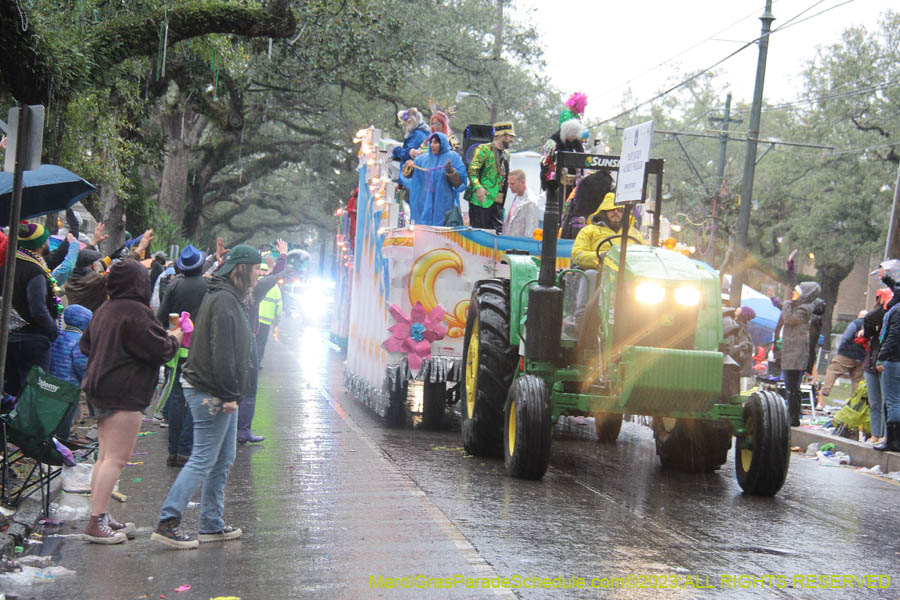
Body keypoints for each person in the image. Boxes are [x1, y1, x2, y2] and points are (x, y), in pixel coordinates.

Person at [153, 245, 262, 549]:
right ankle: (168, 521)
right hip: (211, 391)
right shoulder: (225, 300)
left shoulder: (227, 296)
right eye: (256, 268)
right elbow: (223, 353)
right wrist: (228, 394)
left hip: (217, 389)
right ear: (242, 269)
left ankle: (211, 523)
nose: (259, 274)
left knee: (223, 458)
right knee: (203, 458)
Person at [79, 259, 182, 543]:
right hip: (123, 391)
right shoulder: (136, 311)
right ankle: (96, 521)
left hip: (98, 386)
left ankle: (101, 514)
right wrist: (176, 336)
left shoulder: (105, 308)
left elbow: (85, 345)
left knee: (104, 456)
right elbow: (159, 350)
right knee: (116, 458)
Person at [0, 223, 69, 397]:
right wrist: (52, 331)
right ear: (41, 243)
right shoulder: (34, 271)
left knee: (12, 390)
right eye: (46, 239)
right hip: (32, 340)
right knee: (33, 392)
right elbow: (37, 309)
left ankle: (12, 414)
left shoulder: (9, 264)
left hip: (9, 337)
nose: (48, 242)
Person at [156, 244, 210, 467]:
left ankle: (173, 450)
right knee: (194, 399)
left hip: (177, 351)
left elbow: (161, 316)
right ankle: (186, 449)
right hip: (199, 352)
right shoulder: (208, 287)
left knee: (177, 398)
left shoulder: (174, 285)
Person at [240, 239, 288, 443]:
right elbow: (276, 275)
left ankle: (231, 429)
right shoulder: (255, 289)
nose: (259, 273)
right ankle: (243, 429)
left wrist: (218, 259)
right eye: (256, 269)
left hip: (233, 340)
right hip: (248, 340)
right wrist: (282, 255)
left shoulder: (224, 286)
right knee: (249, 385)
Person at [774, 282, 822, 426]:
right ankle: (792, 416)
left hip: (796, 354)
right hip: (791, 352)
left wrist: (787, 303)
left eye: (796, 291)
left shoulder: (804, 309)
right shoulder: (800, 307)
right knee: (791, 387)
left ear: (804, 294)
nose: (792, 294)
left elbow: (789, 319)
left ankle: (793, 417)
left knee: (793, 387)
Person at [399, 132, 467, 226]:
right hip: (424, 203)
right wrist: (408, 166)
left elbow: (460, 183)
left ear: (442, 143)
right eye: (431, 142)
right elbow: (408, 175)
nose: (432, 145)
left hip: (443, 203)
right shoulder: (422, 159)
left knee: (442, 230)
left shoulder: (452, 157)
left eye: (436, 142)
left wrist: (451, 172)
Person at [48, 304, 92, 441]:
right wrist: (87, 379)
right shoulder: (80, 341)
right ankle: (64, 438)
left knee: (56, 411)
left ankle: (53, 436)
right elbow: (81, 363)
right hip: (70, 384)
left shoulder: (59, 335)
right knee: (69, 414)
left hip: (54, 380)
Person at [571, 193, 645, 270]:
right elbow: (577, 255)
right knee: (591, 274)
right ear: (603, 211)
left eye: (620, 210)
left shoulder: (635, 233)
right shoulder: (588, 231)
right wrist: (601, 256)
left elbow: (645, 256)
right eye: (611, 209)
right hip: (599, 271)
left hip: (629, 273)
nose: (616, 212)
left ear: (624, 213)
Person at [466, 122, 515, 232]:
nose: (512, 140)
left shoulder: (506, 155)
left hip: (497, 202)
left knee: (497, 233)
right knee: (480, 234)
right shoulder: (484, 149)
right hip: (480, 201)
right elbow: (472, 170)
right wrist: (478, 188)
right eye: (510, 136)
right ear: (502, 135)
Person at [860, 288, 892, 444]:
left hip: (884, 362)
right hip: (871, 361)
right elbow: (868, 331)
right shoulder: (874, 317)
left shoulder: (892, 316)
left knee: (886, 402)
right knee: (875, 403)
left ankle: (886, 435)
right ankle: (876, 434)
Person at [817, 310, 867, 409]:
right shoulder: (870, 325)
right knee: (857, 380)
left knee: (833, 370)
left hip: (848, 353)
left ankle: (826, 389)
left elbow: (846, 337)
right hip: (862, 357)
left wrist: (841, 349)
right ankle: (854, 403)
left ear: (858, 316)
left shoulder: (855, 323)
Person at [540, 93, 587, 193]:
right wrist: (550, 186)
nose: (574, 138)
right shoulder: (551, 144)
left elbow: (582, 161)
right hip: (554, 187)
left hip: (571, 189)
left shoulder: (575, 143)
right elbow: (545, 167)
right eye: (573, 135)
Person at [875, 291, 900, 452]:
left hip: (894, 359)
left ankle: (892, 440)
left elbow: (894, 336)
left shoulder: (897, 311)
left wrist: (881, 356)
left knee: (892, 400)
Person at [560, 171, 614, 239]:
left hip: (577, 224)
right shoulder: (608, 184)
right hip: (598, 228)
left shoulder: (585, 180)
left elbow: (574, 200)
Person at [502, 169, 541, 238]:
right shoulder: (517, 196)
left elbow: (530, 232)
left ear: (523, 182)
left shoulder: (531, 203)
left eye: (512, 183)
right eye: (508, 183)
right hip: (509, 241)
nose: (509, 186)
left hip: (519, 243)